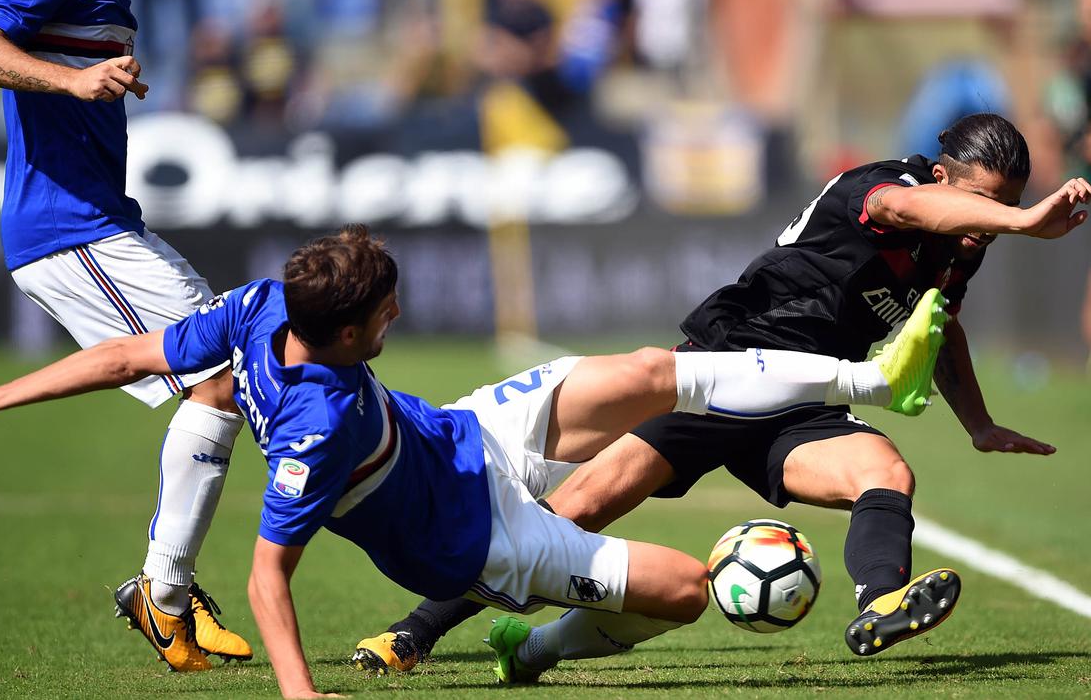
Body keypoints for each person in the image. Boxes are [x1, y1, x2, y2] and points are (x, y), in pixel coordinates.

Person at [0, 226, 948, 697]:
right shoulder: (314, 430)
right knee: (683, 588)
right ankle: (528, 649)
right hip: (479, 536)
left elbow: (133, 349)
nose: (398, 314)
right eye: (386, 312)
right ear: (349, 331)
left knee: (648, 367)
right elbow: (271, 575)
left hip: (468, 431)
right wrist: (303, 696)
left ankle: (869, 380)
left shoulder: (266, 302)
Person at [353, 113, 1091, 674]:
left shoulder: (960, 245)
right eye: (983, 204)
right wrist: (1024, 222)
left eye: (1007, 205)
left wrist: (978, 422)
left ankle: (880, 604)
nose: (984, 229)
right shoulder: (882, 188)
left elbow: (941, 328)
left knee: (886, 473)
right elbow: (909, 213)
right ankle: (412, 632)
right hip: (720, 375)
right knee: (573, 511)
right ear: (937, 176)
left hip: (803, 401)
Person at [0, 0, 251, 670]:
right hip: (70, 232)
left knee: (228, 377)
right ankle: (165, 593)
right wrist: (73, 78)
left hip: (99, 226)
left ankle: (169, 590)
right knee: (224, 375)